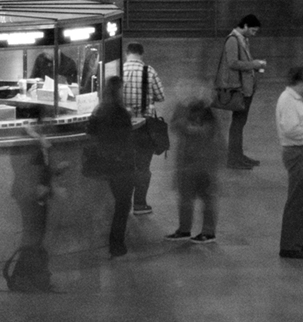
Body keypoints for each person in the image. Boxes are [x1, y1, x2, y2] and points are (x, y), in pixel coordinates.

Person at [101, 48, 165, 221]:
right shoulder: (149, 71)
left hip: (123, 126)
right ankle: (140, 203)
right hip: (145, 125)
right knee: (144, 167)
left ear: (127, 53)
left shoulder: (118, 72)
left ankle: (122, 202)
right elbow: (160, 96)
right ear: (141, 54)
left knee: (126, 165)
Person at [81, 78, 137, 258]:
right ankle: (117, 244)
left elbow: (90, 133)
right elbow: (126, 138)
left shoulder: (99, 110)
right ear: (118, 91)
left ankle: (115, 244)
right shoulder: (120, 113)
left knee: (116, 203)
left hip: (105, 164)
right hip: (121, 164)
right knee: (123, 205)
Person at [273, 65, 303, 259]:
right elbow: (291, 130)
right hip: (298, 152)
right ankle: (289, 245)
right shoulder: (287, 101)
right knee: (297, 200)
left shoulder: (295, 100)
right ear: (301, 82)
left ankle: (297, 242)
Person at [165, 89, 221, 243]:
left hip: (199, 167)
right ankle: (191, 230)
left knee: (201, 198)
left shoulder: (203, 123)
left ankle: (201, 231)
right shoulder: (199, 120)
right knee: (190, 198)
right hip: (194, 166)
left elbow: (178, 125)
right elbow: (175, 125)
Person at [5, 128, 56, 293]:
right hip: (31, 195)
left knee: (34, 236)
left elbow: (39, 168)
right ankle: (23, 278)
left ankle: (25, 278)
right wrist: (40, 187)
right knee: (33, 236)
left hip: (34, 194)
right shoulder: (26, 141)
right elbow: (26, 170)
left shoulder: (34, 139)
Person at [215, 13, 265, 168]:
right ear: (245, 26)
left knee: (240, 124)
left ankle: (238, 156)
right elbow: (233, 63)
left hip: (245, 88)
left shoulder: (242, 39)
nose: (254, 34)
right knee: (237, 124)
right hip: (239, 89)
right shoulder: (232, 40)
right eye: (253, 31)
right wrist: (254, 64)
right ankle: (233, 159)